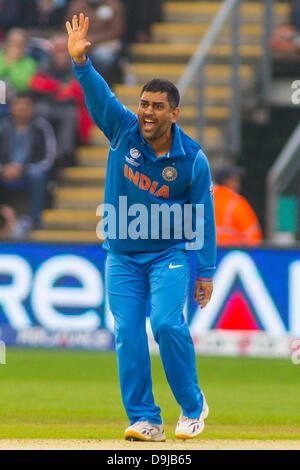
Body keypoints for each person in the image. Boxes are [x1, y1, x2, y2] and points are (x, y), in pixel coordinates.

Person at [66, 13, 216, 441]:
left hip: (168, 255)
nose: (147, 113)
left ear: (175, 112)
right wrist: (81, 63)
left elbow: (203, 219)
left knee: (167, 324)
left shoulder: (192, 160)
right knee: (128, 335)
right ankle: (146, 420)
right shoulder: (123, 129)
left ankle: (192, 405)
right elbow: (100, 98)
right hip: (122, 256)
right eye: (143, 104)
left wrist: (205, 271)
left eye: (156, 107)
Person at [30, 32, 92, 164]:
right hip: (47, 104)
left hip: (69, 106)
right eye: (57, 50)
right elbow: (36, 84)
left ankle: (65, 154)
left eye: (64, 50)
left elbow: (81, 89)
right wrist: (58, 88)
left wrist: (57, 90)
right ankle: (42, 150)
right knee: (40, 110)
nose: (61, 54)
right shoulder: (45, 64)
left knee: (71, 114)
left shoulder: (79, 62)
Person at [0, 93, 57, 232]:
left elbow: (49, 156)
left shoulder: (41, 126)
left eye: (25, 105)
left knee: (37, 175)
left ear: (32, 108)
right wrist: (3, 168)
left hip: (30, 169)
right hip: (6, 169)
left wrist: (23, 169)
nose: (21, 108)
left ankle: (35, 220)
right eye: (18, 105)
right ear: (12, 108)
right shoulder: (3, 126)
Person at [65, 0, 126, 84]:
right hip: (81, 42)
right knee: (64, 52)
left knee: (103, 57)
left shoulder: (113, 4)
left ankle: (99, 85)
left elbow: (117, 31)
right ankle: (72, 85)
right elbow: (68, 27)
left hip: (105, 43)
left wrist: (91, 40)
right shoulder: (77, 5)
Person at [213, 166, 263, 246]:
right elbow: (254, 237)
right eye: (236, 181)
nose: (239, 186)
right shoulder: (237, 203)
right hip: (233, 254)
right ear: (228, 181)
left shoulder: (203, 200)